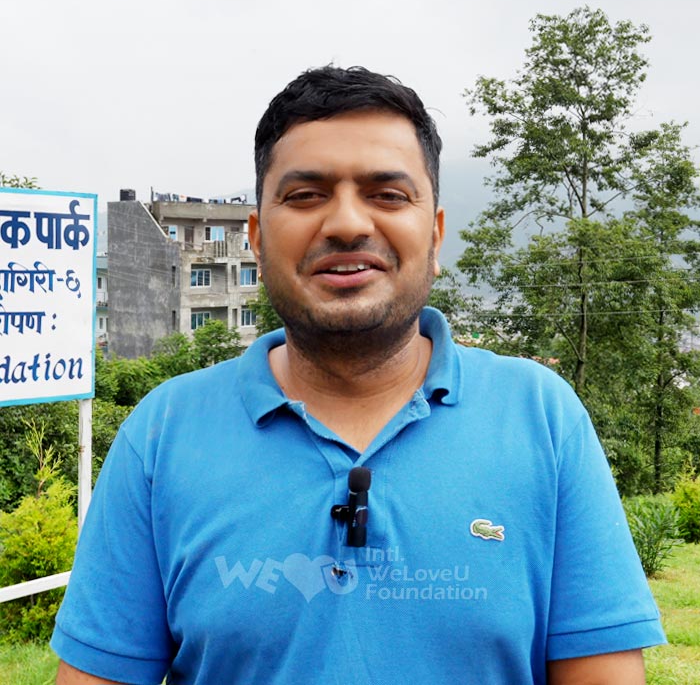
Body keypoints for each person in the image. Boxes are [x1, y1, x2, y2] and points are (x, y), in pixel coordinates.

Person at [53, 65, 665, 685]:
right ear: (257, 238)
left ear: (435, 233)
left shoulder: (542, 418)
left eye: (388, 195)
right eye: (305, 195)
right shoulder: (162, 434)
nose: (347, 223)